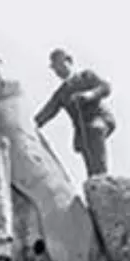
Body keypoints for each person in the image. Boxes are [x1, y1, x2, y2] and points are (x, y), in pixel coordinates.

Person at [35, 49, 115, 177]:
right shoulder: (61, 93)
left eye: (60, 65)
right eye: (55, 68)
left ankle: (102, 176)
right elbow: (47, 112)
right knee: (86, 149)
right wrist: (30, 125)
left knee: (95, 130)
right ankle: (94, 180)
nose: (58, 70)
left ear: (69, 62)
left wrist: (89, 95)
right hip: (82, 130)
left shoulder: (86, 76)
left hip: (99, 118)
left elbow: (105, 87)